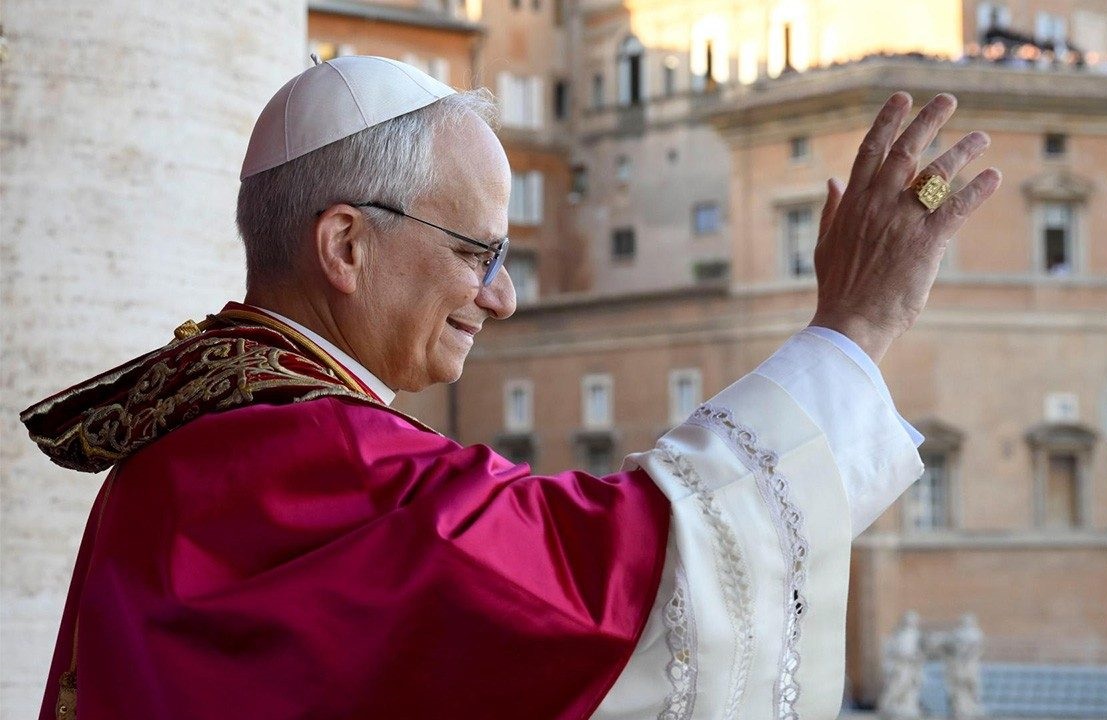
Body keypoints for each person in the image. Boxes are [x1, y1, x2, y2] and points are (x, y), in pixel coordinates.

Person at [19, 55, 1000, 719]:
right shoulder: (313, 457)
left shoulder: (183, 440)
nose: (504, 297)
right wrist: (854, 328)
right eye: (478, 251)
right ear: (346, 245)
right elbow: (610, 581)